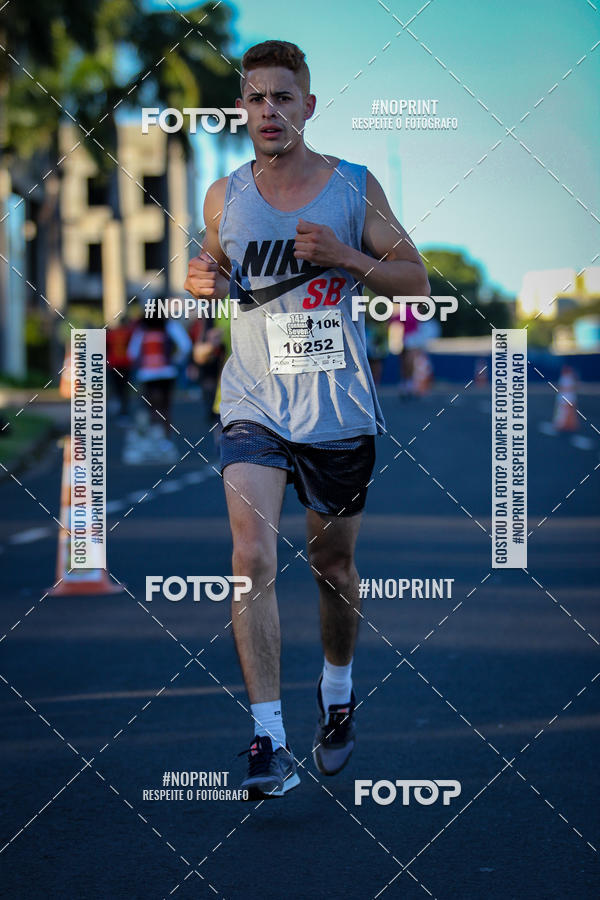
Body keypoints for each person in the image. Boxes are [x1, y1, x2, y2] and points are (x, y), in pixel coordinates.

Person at [184, 40, 430, 799]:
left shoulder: (352, 187)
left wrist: (346, 256)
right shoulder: (223, 196)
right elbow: (207, 270)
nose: (268, 110)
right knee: (250, 555)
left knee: (332, 568)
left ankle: (337, 689)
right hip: (253, 403)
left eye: (282, 97)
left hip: (338, 411)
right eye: (256, 97)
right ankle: (267, 738)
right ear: (242, 109)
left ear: (308, 107)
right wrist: (202, 280)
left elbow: (415, 275)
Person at [126, 308, 191, 462]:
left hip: (147, 374)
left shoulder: (142, 330)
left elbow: (132, 353)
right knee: (165, 408)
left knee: (151, 408)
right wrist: (175, 360)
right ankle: (166, 441)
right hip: (167, 372)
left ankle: (154, 441)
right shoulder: (170, 326)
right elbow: (186, 345)